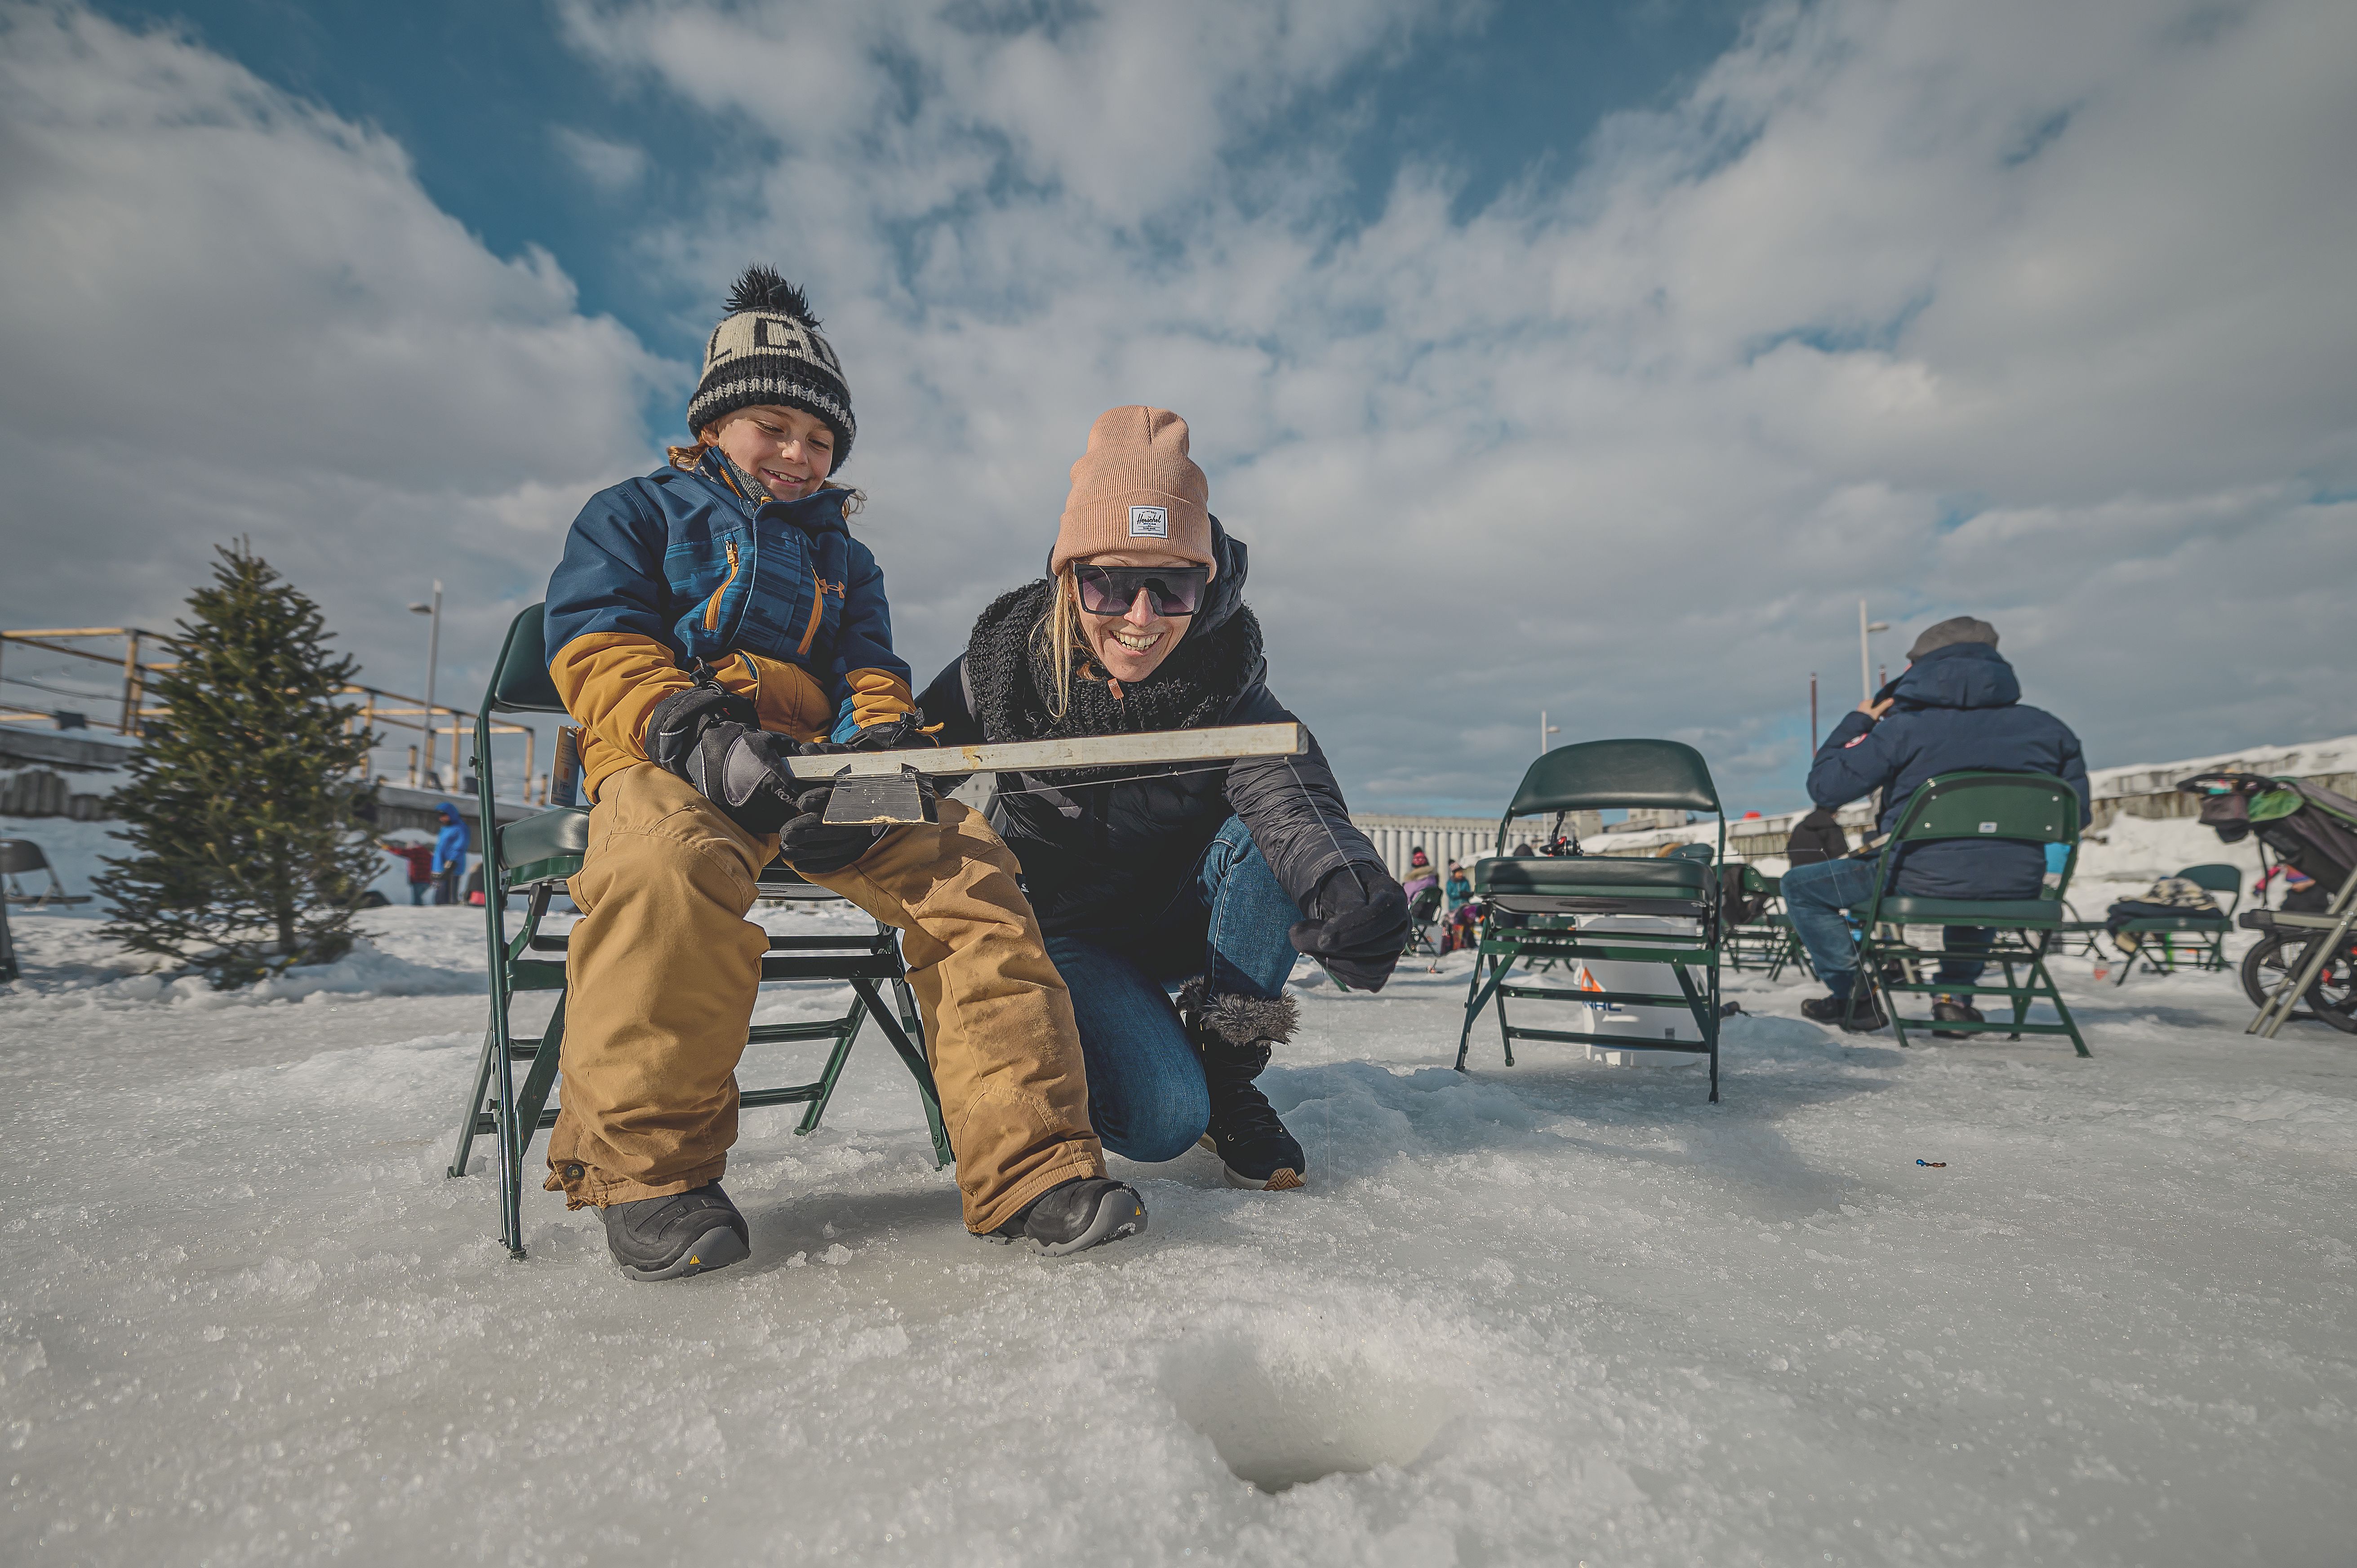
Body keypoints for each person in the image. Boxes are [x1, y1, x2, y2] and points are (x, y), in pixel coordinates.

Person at [539, 267, 1137, 1280]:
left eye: (819, 440)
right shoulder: (633, 513)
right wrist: (695, 731)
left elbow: (871, 673)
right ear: (717, 420)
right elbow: (595, 645)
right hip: (671, 754)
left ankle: (1031, 1161)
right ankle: (653, 1176)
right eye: (775, 427)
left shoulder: (847, 561)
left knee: (969, 863)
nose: (798, 454)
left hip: (812, 771)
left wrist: (873, 760)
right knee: (663, 866)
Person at [916, 406, 1408, 1192]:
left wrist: (1346, 887)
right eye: (1107, 582)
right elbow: (903, 766)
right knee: (1161, 1120)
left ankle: (1227, 1072)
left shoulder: (1223, 674)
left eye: (1170, 584)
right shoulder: (1004, 662)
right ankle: (1155, 1069)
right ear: (1069, 575)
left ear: (1203, 583)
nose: (1139, 617)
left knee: (1262, 842)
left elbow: (1292, 799)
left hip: (1184, 915)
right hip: (1070, 932)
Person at [1783, 616, 2088, 1033]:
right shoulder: (2051, 730)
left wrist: (1859, 722)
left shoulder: (1904, 730)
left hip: (1916, 877)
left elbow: (1825, 789)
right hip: (2016, 882)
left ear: (1920, 669)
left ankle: (1854, 996)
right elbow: (2077, 816)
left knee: (1800, 887)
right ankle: (1953, 1000)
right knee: (1981, 885)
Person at [1783, 806, 1848, 867]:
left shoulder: (1799, 827)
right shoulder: (1830, 827)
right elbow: (1840, 855)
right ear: (1833, 814)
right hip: (1824, 874)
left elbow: (1791, 850)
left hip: (1799, 874)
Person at [431, 803, 469, 906]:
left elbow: (460, 846)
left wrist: (452, 861)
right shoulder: (444, 829)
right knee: (439, 898)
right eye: (440, 817)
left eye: (444, 816)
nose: (442, 819)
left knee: (448, 898)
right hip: (440, 867)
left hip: (452, 866)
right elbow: (440, 848)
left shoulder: (460, 828)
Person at [381, 837, 435, 905]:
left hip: (418, 879)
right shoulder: (428, 854)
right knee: (422, 898)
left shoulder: (415, 852)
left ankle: (418, 913)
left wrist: (388, 848)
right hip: (428, 880)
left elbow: (402, 852)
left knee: (417, 900)